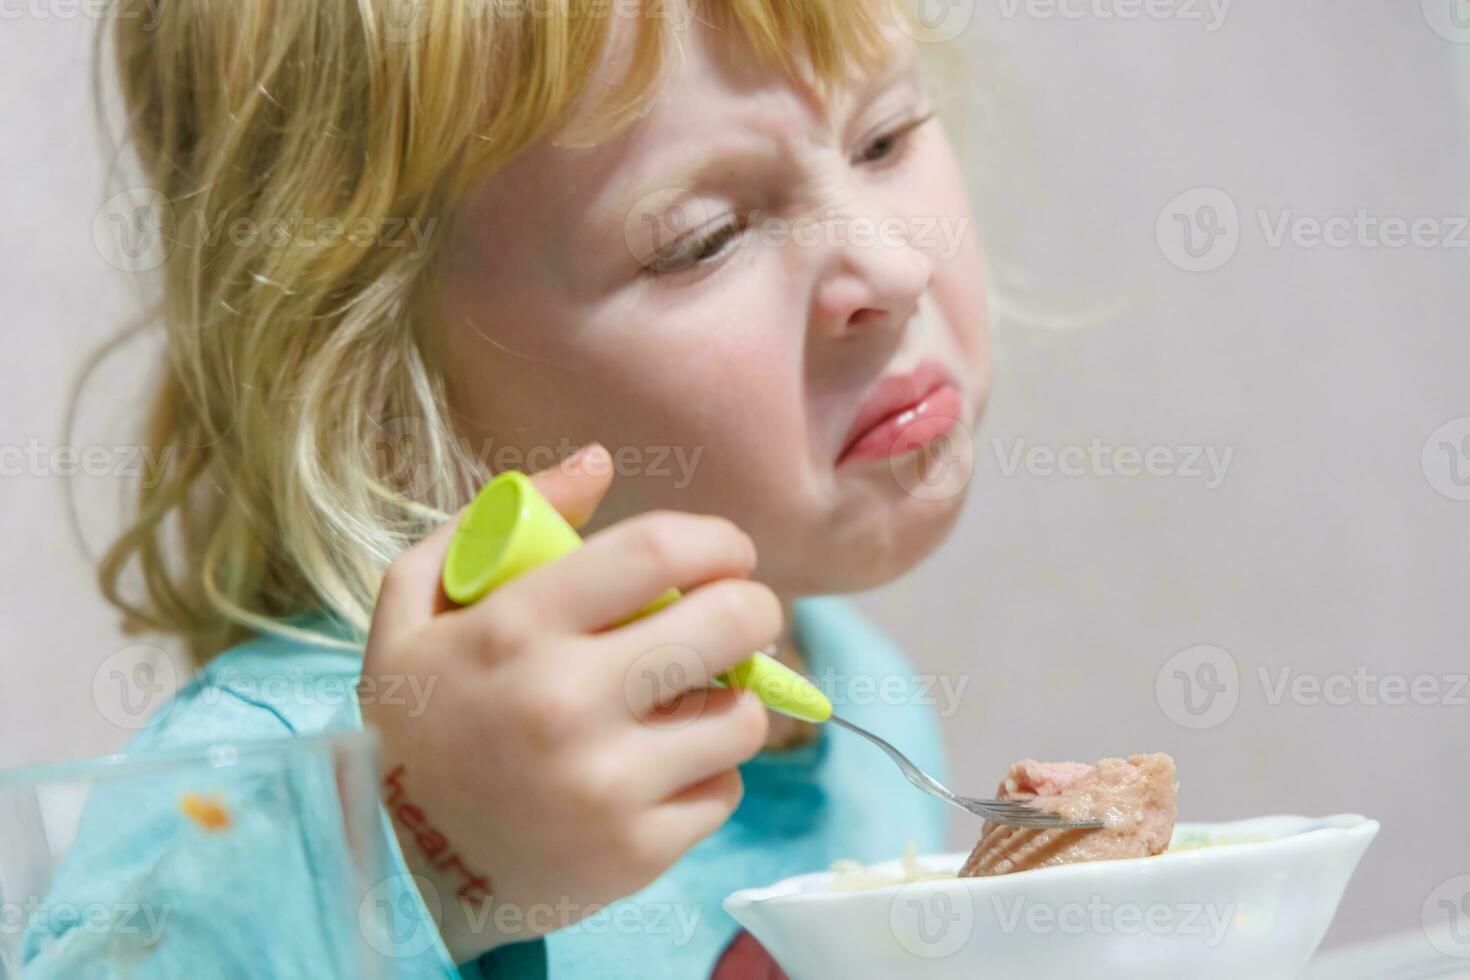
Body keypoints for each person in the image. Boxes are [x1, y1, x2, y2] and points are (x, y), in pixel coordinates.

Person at [34, 0, 993, 975]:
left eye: (885, 136)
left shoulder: (861, 694)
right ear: (384, 400)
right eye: (704, 237)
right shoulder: (288, 771)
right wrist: (417, 851)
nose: (894, 265)